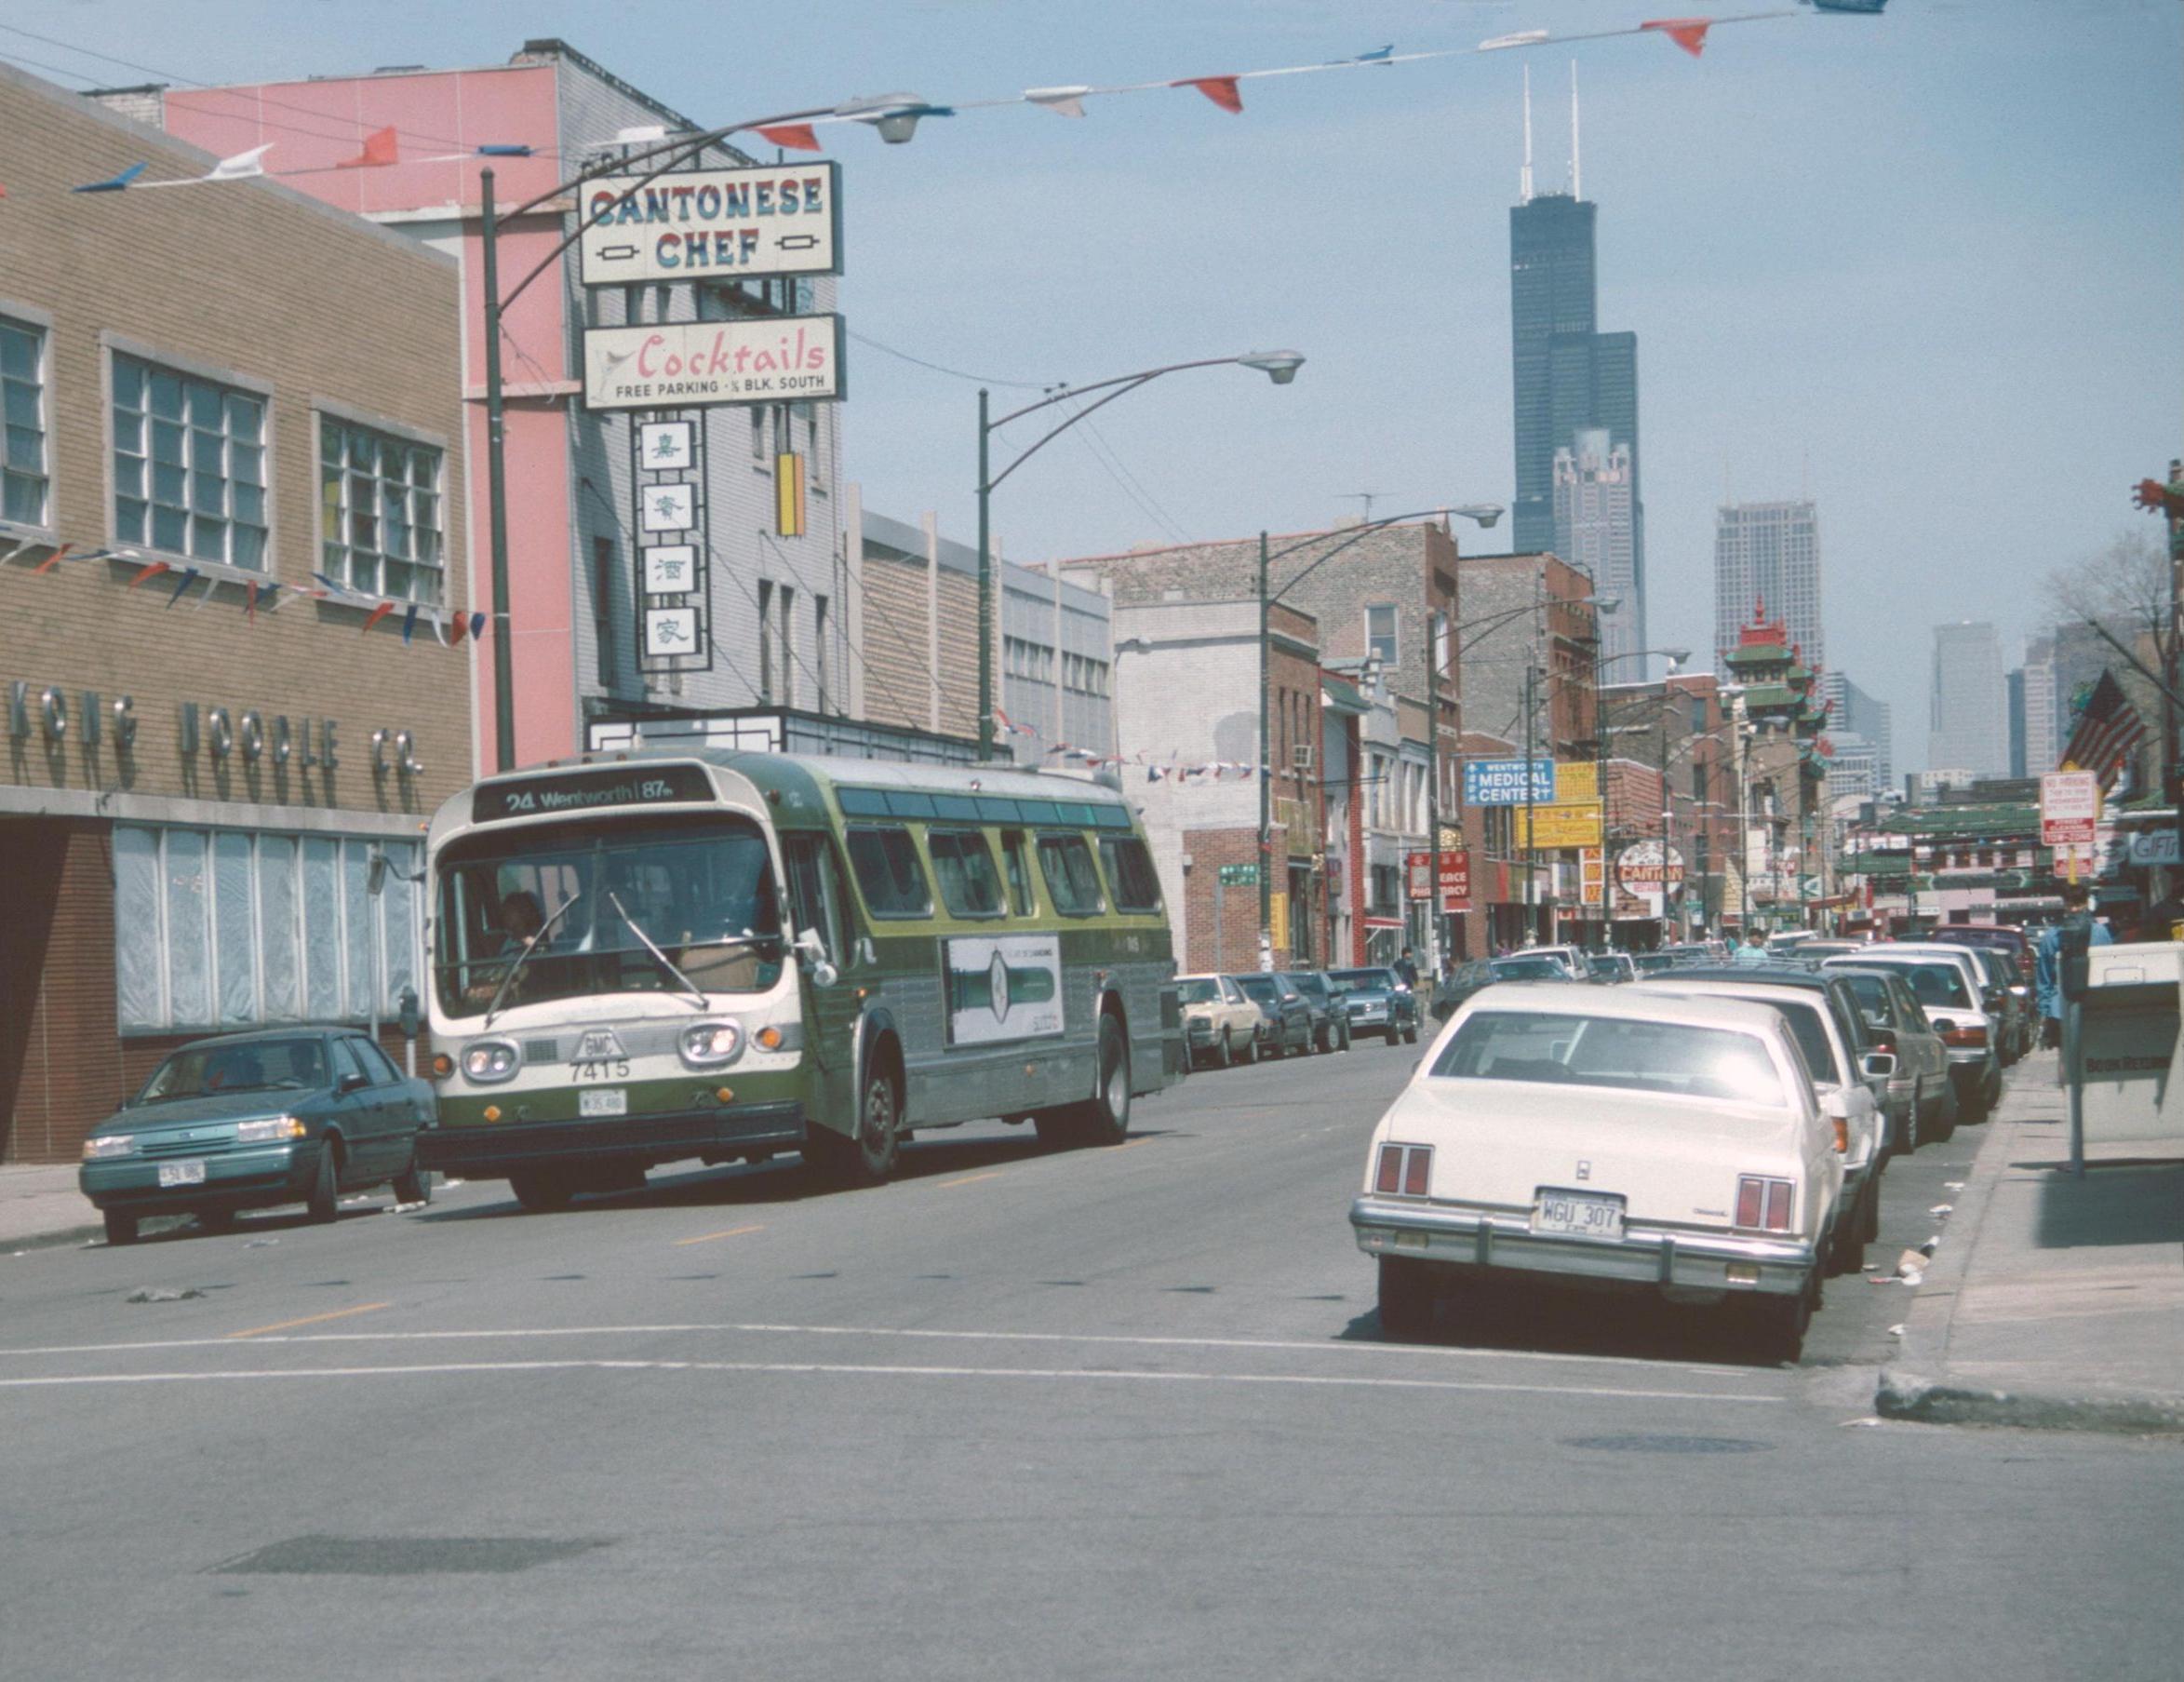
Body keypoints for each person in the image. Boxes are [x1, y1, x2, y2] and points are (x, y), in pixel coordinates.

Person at [2036, 881, 2110, 1049]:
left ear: (2085, 904)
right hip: (2064, 1009)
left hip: (2092, 1006)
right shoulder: (2052, 937)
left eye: (2078, 904)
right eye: (2070, 905)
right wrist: (2045, 1012)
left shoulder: (2100, 932)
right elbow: (2045, 977)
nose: (2074, 910)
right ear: (2064, 905)